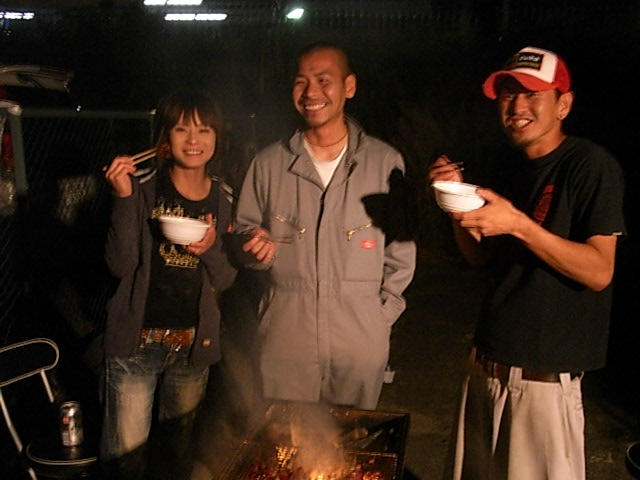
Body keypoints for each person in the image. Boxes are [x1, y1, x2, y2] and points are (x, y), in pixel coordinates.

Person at [430, 46, 626, 480]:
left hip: (543, 384)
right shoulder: (511, 167)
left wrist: (519, 225)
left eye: (533, 93)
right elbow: (479, 255)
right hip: (484, 367)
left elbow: (599, 270)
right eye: (508, 94)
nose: (517, 105)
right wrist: (456, 205)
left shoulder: (590, 165)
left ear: (564, 104)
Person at [233, 42, 416, 410]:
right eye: (301, 82)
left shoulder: (384, 163)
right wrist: (251, 248)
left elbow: (401, 254)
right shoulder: (269, 164)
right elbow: (243, 235)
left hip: (359, 342)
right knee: (284, 453)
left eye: (323, 80)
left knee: (350, 455)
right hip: (286, 338)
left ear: (349, 87)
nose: (311, 92)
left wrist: (378, 319)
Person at [100, 89, 236, 479]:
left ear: (217, 137)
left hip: (192, 347)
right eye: (181, 129)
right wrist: (123, 197)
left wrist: (210, 249)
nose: (193, 141)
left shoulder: (224, 198)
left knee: (176, 460)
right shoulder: (142, 187)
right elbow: (119, 264)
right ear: (165, 137)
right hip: (136, 344)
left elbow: (226, 277)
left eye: (204, 130)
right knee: (125, 462)